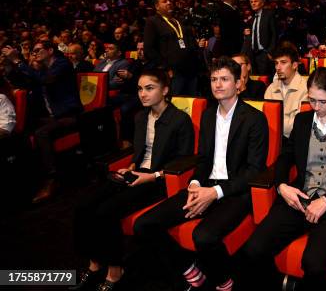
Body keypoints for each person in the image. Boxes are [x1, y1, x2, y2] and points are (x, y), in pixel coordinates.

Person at [134, 57, 268, 291]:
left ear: (239, 84)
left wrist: (214, 193)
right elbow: (204, 159)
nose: (217, 84)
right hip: (204, 184)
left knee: (203, 236)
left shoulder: (255, 118)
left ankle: (224, 281)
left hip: (235, 191)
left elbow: (254, 171)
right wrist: (195, 183)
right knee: (144, 224)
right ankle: (188, 267)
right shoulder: (207, 116)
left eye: (225, 79)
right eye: (214, 79)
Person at [241, 67, 326, 291]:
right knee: (253, 249)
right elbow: (285, 157)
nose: (316, 108)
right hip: (299, 198)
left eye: (322, 101)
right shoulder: (302, 120)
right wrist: (282, 186)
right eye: (312, 100)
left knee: (314, 264)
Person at [71, 69, 194, 291]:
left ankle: (115, 270)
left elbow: (184, 163)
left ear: (165, 90)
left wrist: (152, 175)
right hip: (136, 173)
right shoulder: (140, 117)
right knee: (82, 205)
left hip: (159, 180)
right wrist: (131, 166)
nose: (143, 94)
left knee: (106, 211)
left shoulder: (180, 119)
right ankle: (94, 263)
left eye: (149, 88)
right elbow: (140, 152)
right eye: (139, 89)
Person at [2, 39, 82, 203]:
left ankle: (52, 180)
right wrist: (10, 64)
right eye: (34, 50)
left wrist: (18, 60)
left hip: (70, 115)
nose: (35, 53)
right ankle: (28, 176)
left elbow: (45, 80)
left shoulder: (62, 64)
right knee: (24, 129)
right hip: (53, 116)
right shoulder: (44, 69)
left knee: (41, 133)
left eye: (38, 50)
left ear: (50, 50)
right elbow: (25, 80)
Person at [144, 0, 200, 95]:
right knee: (174, 104)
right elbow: (149, 49)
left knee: (190, 104)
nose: (169, 3)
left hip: (190, 71)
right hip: (173, 73)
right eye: (164, 1)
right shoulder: (152, 21)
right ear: (157, 6)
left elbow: (191, 43)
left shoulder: (180, 21)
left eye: (170, 0)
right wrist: (165, 68)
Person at [264, 46, 308, 139]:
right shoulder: (271, 88)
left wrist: (273, 125)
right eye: (276, 63)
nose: (278, 67)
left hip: (294, 141)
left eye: (283, 62)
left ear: (294, 65)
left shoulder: (306, 88)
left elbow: (298, 126)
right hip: (271, 139)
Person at [248, 0, 276, 76]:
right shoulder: (252, 19)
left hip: (265, 53)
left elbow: (274, 34)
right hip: (253, 55)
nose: (253, 3)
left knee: (265, 79)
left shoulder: (269, 15)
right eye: (251, 2)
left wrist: (270, 52)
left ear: (262, 3)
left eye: (256, 1)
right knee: (255, 78)